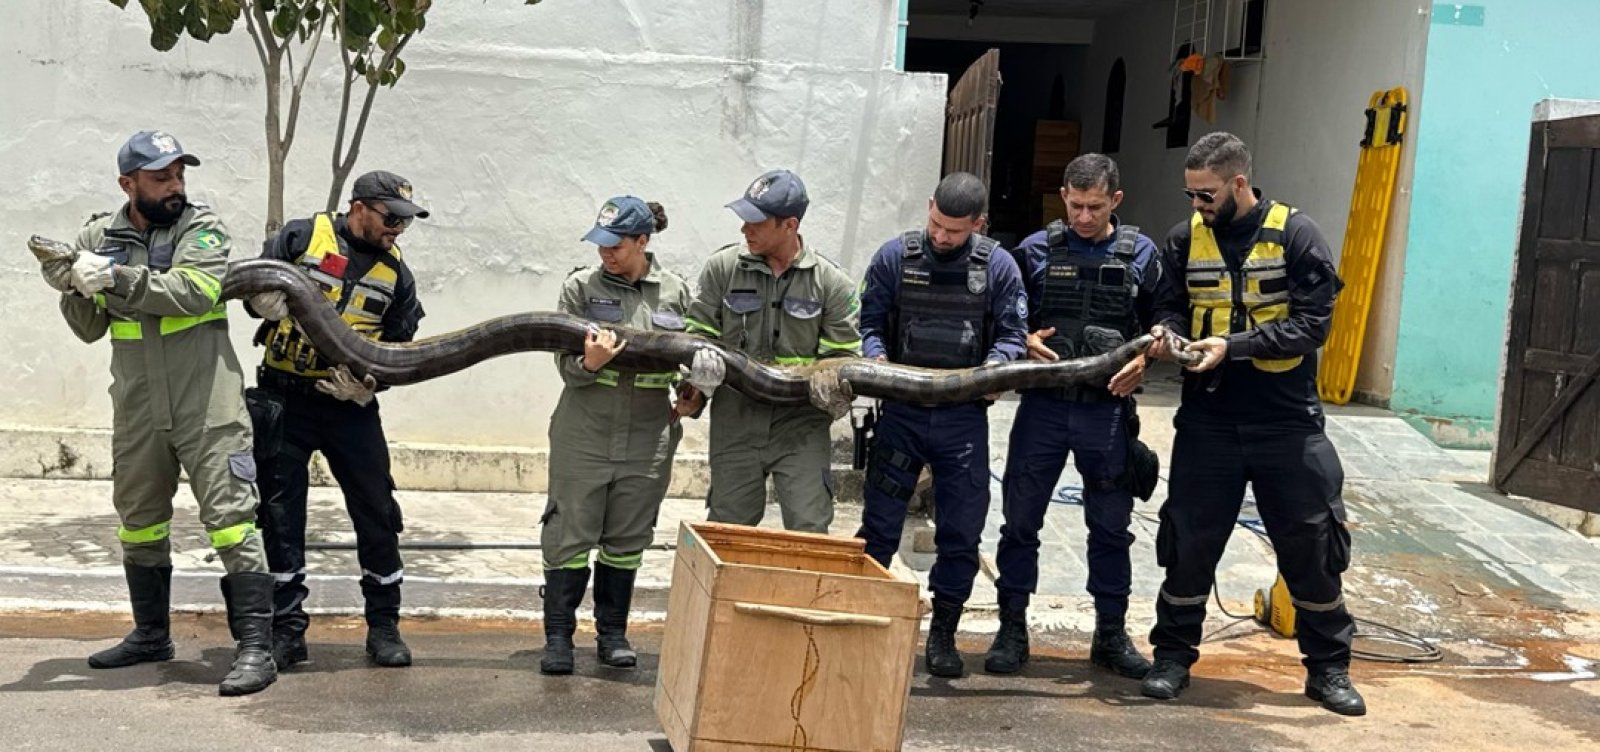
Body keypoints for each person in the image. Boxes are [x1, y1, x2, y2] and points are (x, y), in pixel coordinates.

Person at [40, 130, 276, 696]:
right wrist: (72, 285)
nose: (175, 186)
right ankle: (151, 634)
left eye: (178, 174)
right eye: (161, 177)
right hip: (140, 408)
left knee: (233, 521)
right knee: (139, 520)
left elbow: (194, 291)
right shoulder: (99, 235)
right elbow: (89, 329)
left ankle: (256, 650)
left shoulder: (202, 226)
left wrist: (114, 278)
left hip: (207, 405)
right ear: (128, 184)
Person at [1141, 132, 1364, 716]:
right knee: (1189, 541)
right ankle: (1171, 658)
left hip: (1285, 420)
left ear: (1239, 183)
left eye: (1207, 194)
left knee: (1312, 544)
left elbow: (1314, 324)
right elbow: (1166, 305)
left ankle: (1328, 670)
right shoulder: (1181, 239)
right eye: (1191, 194)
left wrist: (1232, 346)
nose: (1198, 205)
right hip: (1209, 421)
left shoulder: (1296, 234)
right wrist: (1168, 334)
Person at [244, 170, 427, 670]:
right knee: (280, 518)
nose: (398, 230)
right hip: (285, 400)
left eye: (405, 222)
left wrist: (371, 387)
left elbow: (400, 348)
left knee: (377, 512)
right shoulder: (302, 237)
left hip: (350, 407)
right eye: (391, 218)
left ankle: (384, 628)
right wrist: (258, 299)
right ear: (360, 207)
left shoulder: (397, 276)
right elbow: (248, 290)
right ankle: (287, 632)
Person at [986, 154, 1159, 679]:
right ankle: (1012, 629)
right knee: (1020, 523)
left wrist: (1145, 356)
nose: (1084, 216)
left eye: (1095, 207)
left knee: (1110, 528)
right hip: (1043, 407)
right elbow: (1007, 319)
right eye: (1076, 205)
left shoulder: (1143, 254)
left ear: (1116, 202)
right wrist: (1025, 340)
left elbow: (1164, 322)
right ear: (1063, 196)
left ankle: (1110, 634)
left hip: (1105, 411)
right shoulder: (1035, 251)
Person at [854, 172, 1028, 678]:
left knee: (960, 533)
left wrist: (994, 369)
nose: (941, 237)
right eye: (936, 224)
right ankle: (871, 623)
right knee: (880, 528)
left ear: (979, 223)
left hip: (962, 420)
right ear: (928, 207)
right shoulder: (894, 257)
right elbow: (868, 326)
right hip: (902, 415)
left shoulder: (997, 267)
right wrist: (877, 360)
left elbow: (1013, 335)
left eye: (954, 230)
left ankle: (944, 635)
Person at [538, 196, 700, 675]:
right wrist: (589, 363)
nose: (605, 253)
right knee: (569, 532)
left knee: (627, 538)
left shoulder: (675, 292)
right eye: (600, 243)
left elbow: (696, 359)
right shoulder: (579, 288)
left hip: (649, 433)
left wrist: (696, 397)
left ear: (642, 241)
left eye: (615, 244)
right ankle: (559, 640)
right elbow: (562, 361)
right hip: (585, 427)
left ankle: (612, 635)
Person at [682, 169, 862, 533]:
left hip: (800, 424)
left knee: (809, 528)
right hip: (736, 421)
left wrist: (838, 390)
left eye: (755, 222)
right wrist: (694, 374)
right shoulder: (723, 269)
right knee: (727, 531)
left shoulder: (830, 283)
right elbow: (697, 332)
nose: (744, 230)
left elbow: (843, 356)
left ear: (789, 225)